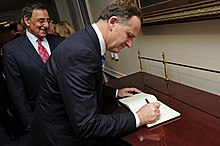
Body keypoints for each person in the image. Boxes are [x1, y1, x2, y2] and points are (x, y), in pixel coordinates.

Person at [31, 0, 160, 146]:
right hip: (60, 136)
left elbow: (83, 84)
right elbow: (87, 126)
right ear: (113, 22)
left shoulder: (85, 40)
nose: (130, 44)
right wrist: (139, 117)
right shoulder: (81, 53)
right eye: (129, 35)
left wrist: (116, 93)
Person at [2, 2, 64, 140]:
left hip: (70, 110)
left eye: (48, 20)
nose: (46, 25)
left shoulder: (60, 42)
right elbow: (16, 90)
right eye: (41, 20)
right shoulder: (12, 50)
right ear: (27, 21)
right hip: (41, 117)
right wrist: (29, 121)